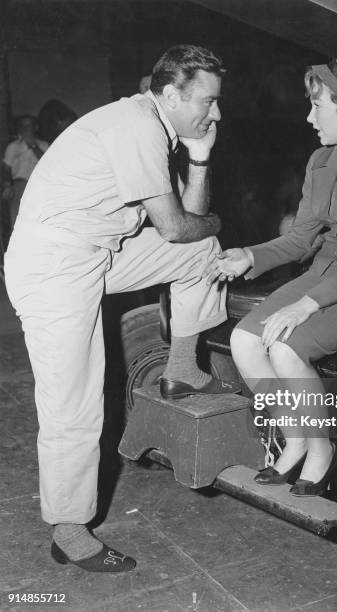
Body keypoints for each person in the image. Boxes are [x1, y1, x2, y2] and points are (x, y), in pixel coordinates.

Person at [4, 44, 240, 573]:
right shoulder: (135, 127)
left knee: (202, 252)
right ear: (171, 94)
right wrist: (218, 223)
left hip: (96, 254)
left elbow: (187, 230)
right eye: (209, 101)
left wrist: (200, 156)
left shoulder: (158, 128)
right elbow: (180, 223)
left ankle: (181, 369)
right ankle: (69, 530)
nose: (216, 113)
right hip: (55, 266)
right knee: (75, 399)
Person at [206, 53, 337, 497]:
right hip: (325, 269)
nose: (309, 117)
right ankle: (298, 436)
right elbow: (302, 240)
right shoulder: (320, 162)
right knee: (245, 342)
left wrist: (308, 304)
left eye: (317, 106)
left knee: (286, 349)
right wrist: (249, 255)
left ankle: (320, 451)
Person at [2, 115, 49, 233]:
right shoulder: (13, 146)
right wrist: (7, 186)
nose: (25, 128)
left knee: (39, 221)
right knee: (18, 223)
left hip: (39, 187)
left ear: (35, 127)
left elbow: (48, 163)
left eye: (28, 125)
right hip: (19, 186)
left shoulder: (44, 145)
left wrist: (32, 145)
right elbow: (6, 168)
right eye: (22, 125)